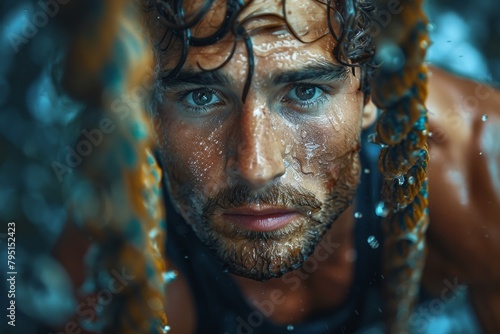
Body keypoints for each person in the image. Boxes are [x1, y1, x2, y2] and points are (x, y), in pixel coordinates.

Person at [52, 0, 500, 333]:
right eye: (201, 97)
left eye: (305, 92)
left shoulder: (473, 172)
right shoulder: (116, 259)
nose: (255, 166)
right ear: (147, 110)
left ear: (372, 93)